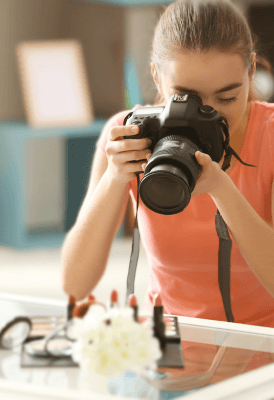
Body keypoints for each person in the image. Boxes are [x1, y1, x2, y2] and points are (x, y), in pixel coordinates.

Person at [61, 0, 274, 327]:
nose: (210, 115)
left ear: (250, 72)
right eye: (187, 98)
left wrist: (222, 189)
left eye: (228, 97)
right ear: (157, 78)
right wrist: (115, 180)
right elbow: (75, 284)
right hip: (169, 344)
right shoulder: (129, 133)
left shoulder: (269, 136)